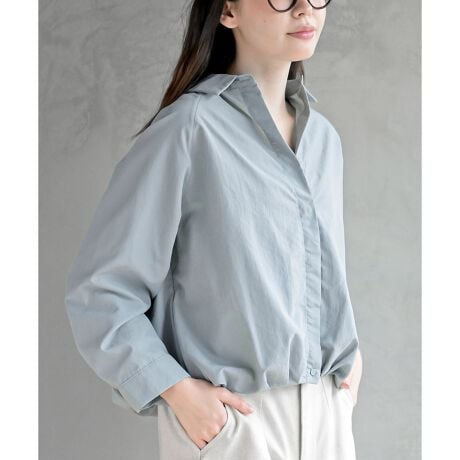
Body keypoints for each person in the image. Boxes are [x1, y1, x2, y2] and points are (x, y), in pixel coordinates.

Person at [64, 0, 363, 458]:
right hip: (235, 421)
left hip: (327, 413)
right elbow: (101, 292)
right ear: (228, 12)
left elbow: (319, 273)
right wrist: (176, 390)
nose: (305, 8)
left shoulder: (323, 139)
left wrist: (349, 363)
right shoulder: (188, 128)